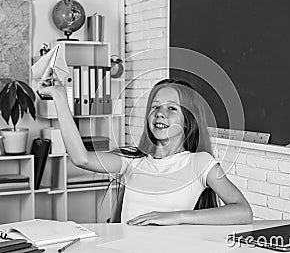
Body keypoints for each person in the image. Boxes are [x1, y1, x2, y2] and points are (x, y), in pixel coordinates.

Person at [38, 75, 252, 226]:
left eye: (171, 108)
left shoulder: (200, 163)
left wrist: (176, 217)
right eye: (155, 106)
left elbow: (243, 211)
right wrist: (59, 96)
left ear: (188, 120)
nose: (160, 113)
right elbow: (80, 158)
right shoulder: (132, 160)